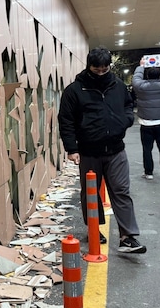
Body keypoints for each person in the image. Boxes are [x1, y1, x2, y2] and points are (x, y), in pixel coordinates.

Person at [58, 47, 146, 253]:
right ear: (89, 66)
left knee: (121, 192)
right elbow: (66, 121)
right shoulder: (75, 90)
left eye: (104, 70)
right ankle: (94, 230)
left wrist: (125, 121)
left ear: (109, 67)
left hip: (116, 150)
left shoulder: (117, 86)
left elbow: (128, 106)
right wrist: (71, 148)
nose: (100, 73)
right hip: (88, 152)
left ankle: (128, 237)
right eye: (96, 70)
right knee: (90, 194)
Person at [132, 57, 160, 180]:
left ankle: (149, 173)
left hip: (146, 123)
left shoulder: (141, 86)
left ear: (147, 74)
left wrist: (140, 66)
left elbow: (136, 79)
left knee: (147, 149)